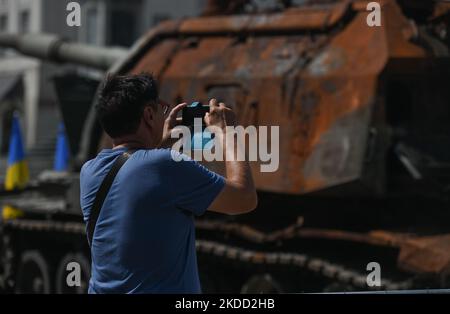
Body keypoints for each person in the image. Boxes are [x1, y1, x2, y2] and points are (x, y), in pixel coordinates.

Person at [79, 73, 257, 294]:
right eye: (160, 110)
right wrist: (227, 131)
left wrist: (161, 142)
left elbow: (138, 178)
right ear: (148, 115)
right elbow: (244, 197)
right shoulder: (164, 164)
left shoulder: (90, 171)